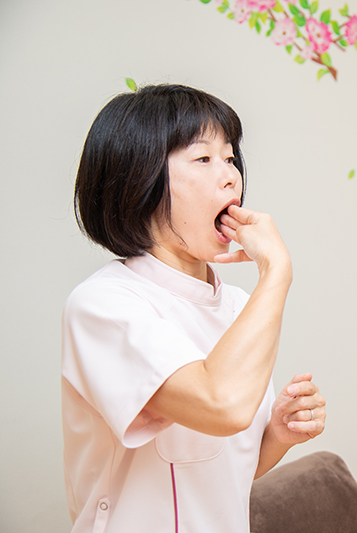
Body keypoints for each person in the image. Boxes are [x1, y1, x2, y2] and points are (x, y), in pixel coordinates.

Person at [62, 84, 326, 532]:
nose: (230, 177)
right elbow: (220, 404)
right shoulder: (103, 305)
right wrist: (277, 271)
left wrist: (277, 435)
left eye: (230, 158)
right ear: (137, 179)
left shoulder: (242, 305)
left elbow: (222, 472)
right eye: (203, 159)